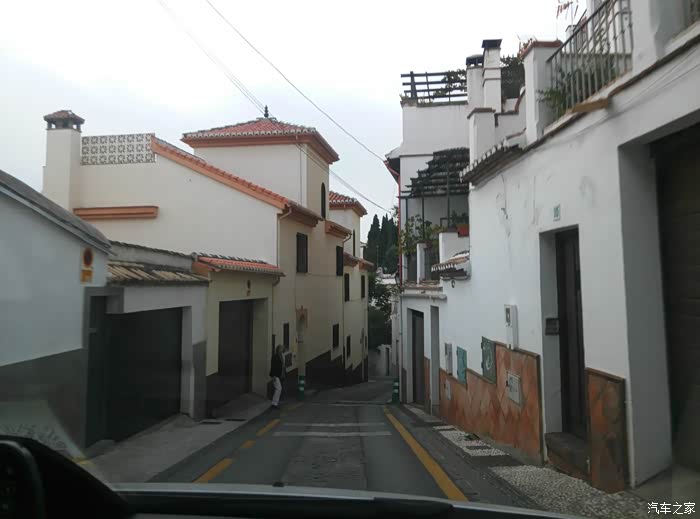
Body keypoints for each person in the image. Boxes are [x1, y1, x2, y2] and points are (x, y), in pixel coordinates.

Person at [269, 344, 285, 409]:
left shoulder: (281, 356)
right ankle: (274, 404)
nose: (282, 349)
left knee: (278, 388)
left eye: (283, 348)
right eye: (281, 348)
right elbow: (273, 366)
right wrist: (274, 375)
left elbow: (282, 365)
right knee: (279, 388)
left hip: (279, 375)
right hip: (275, 375)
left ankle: (275, 403)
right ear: (278, 349)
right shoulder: (275, 356)